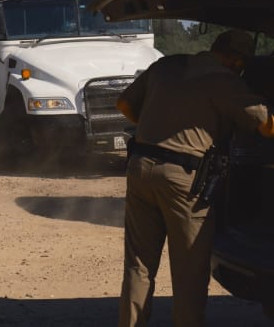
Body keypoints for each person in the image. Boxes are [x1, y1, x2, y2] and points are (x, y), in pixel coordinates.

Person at [115, 29, 274, 327]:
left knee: (138, 266)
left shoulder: (166, 65)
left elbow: (123, 104)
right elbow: (267, 126)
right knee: (189, 272)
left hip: (140, 168)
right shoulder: (226, 81)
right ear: (236, 60)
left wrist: (160, 132)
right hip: (183, 180)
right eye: (242, 65)